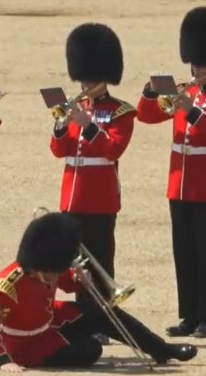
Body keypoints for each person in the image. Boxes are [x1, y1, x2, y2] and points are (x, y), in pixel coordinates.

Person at [137, 6, 206, 338]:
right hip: (178, 184)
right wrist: (150, 91)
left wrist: (194, 111)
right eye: (194, 60)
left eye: (202, 62)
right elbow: (147, 115)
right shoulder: (185, 89)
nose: (197, 66)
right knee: (183, 250)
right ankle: (188, 315)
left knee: (205, 251)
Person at [0, 212, 197, 372]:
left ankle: (161, 349)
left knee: (101, 311)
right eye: (51, 274)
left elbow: (65, 283)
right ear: (36, 267)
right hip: (28, 347)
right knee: (92, 350)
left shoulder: (49, 264)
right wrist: (3, 361)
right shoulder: (7, 286)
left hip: (52, 322)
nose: (53, 278)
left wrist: (80, 280)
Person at [49, 22, 136, 339]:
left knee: (100, 262)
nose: (86, 83)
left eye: (91, 77)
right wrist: (61, 127)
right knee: (77, 267)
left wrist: (88, 126)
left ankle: (104, 323)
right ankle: (84, 321)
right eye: (83, 76)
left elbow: (114, 148)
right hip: (72, 196)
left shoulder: (121, 111)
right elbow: (60, 151)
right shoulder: (76, 108)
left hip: (99, 198)